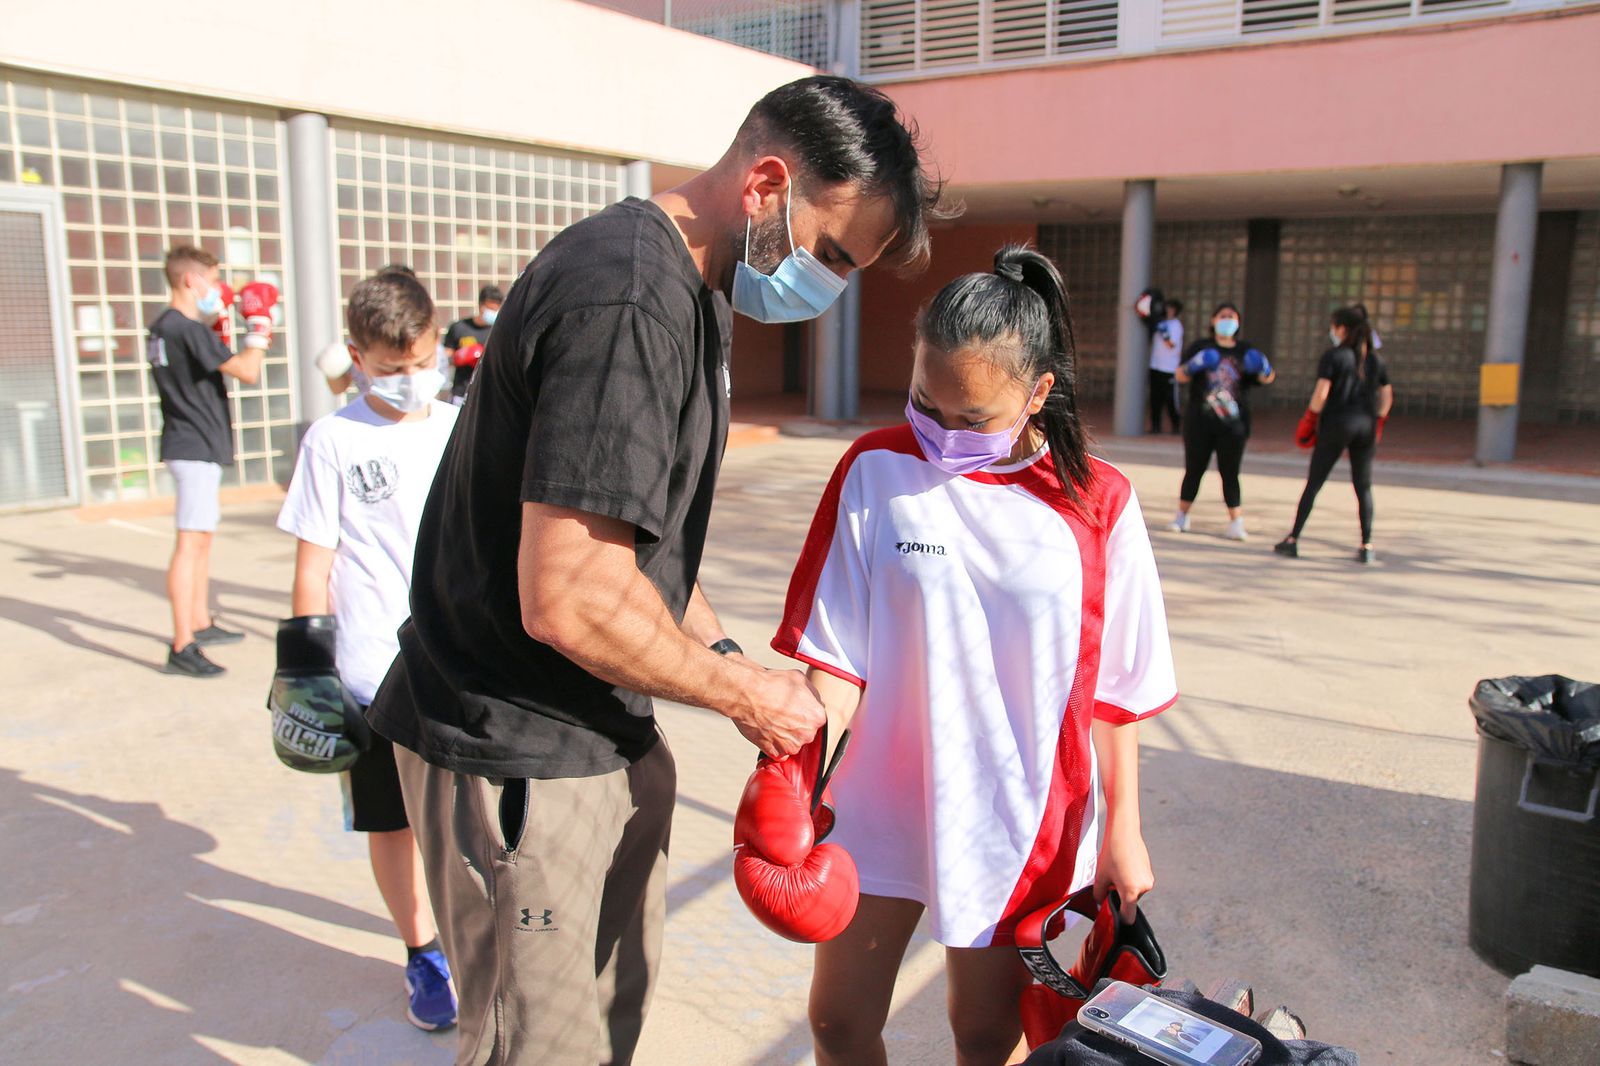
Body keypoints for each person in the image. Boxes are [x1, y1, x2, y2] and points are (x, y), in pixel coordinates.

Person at [364, 74, 945, 1066]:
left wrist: (721, 651)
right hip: (516, 746)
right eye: (833, 255)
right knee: (536, 1047)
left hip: (596, 735)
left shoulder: (689, 293)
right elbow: (572, 597)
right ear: (766, 185)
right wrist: (746, 697)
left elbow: (641, 557)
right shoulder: (628, 300)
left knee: (601, 1028)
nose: (829, 288)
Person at [773, 247, 1177, 1066]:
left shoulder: (1099, 503)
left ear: (1038, 393)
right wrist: (791, 779)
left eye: (972, 418)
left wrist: (1121, 834)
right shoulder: (874, 468)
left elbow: (1117, 692)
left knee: (987, 1035)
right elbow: (837, 654)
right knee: (838, 1024)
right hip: (878, 802)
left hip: (1014, 813)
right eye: (927, 403)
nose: (942, 434)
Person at [275, 271, 460, 1030]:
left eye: (421, 361)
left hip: (459, 665)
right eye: (391, 369)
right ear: (356, 357)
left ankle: (475, 938)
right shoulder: (334, 440)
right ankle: (423, 952)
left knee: (467, 821)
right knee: (393, 823)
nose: (412, 380)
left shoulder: (462, 425)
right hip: (371, 674)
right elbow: (312, 566)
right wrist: (305, 671)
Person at [146, 245, 275, 677]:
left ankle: (199, 622)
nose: (218, 289)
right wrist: (259, 327)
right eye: (213, 279)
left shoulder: (163, 327)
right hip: (194, 444)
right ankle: (182, 644)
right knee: (191, 543)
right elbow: (247, 370)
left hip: (187, 441)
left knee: (200, 541)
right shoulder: (186, 328)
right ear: (190, 280)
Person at [1275, 306, 1394, 564]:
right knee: (1363, 486)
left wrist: (1310, 419)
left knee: (1315, 482)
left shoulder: (1334, 356)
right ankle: (1366, 544)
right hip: (1366, 425)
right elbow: (1386, 396)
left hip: (1337, 423)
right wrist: (1379, 420)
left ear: (1342, 329)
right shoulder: (1375, 359)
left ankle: (1293, 538)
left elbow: (1321, 393)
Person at [1166, 302, 1274, 541]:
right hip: (1200, 421)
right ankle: (1181, 516)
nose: (1227, 320)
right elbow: (1179, 375)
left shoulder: (1245, 351)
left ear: (1238, 322)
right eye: (1223, 316)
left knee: (1230, 472)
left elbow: (1267, 378)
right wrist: (1195, 364)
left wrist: (1265, 367)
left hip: (1234, 424)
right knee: (1194, 469)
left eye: (1231, 316)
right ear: (1213, 320)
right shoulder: (1201, 347)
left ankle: (1236, 521)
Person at [443, 285, 503, 404]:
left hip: (490, 393)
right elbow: (444, 359)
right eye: (489, 308)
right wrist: (459, 357)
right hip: (461, 393)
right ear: (481, 305)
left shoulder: (500, 331)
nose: (492, 313)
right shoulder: (459, 328)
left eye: (495, 310)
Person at [1146, 298, 1184, 434]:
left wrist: (1165, 333)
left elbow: (1171, 344)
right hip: (1156, 366)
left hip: (1169, 368)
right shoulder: (1159, 323)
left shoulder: (1176, 325)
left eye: (1171, 308)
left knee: (1171, 400)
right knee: (1155, 398)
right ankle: (1155, 425)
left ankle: (1176, 425)